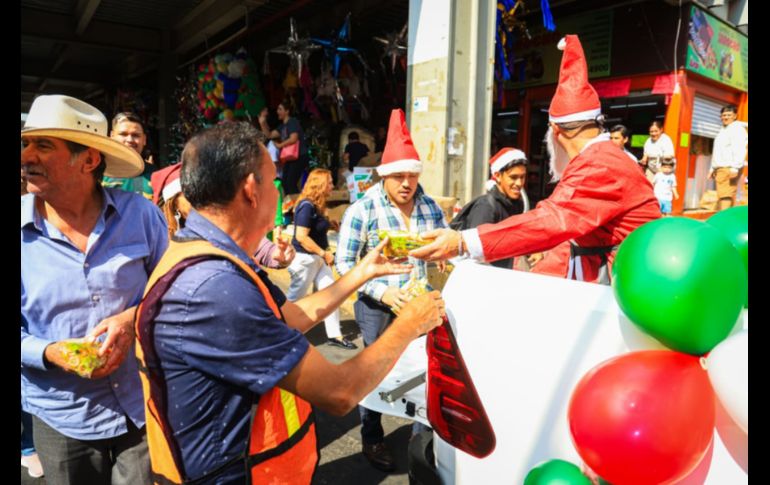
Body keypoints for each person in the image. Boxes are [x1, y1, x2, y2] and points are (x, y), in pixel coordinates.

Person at [134, 121, 445, 484]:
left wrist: (362, 273)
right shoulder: (216, 288)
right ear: (251, 190)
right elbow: (340, 392)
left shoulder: (208, 256)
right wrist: (410, 323)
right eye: (275, 182)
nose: (281, 195)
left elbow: (288, 316)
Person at [410, 35, 660, 284]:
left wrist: (463, 242)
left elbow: (553, 221)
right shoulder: (607, 157)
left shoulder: (598, 164)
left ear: (555, 131)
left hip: (624, 285)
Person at [21, 94, 168, 484]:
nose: (26, 156)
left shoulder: (141, 216)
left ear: (88, 160)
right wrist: (50, 352)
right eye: (26, 144)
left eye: (44, 145)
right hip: (61, 416)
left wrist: (130, 317)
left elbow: (175, 290)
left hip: (139, 404)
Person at [336, 108, 448, 472]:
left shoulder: (431, 208)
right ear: (384, 177)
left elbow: (443, 255)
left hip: (422, 304)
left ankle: (422, 440)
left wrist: (443, 268)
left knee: (427, 370)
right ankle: (372, 436)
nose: (406, 184)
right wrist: (384, 292)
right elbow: (344, 265)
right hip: (379, 307)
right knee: (375, 371)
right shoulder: (362, 210)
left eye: (412, 176)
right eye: (398, 176)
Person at [151, 161, 294, 269]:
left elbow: (260, 247)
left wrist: (279, 256)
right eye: (190, 193)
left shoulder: (223, 221)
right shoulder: (159, 233)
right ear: (174, 203)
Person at [286, 168, 356, 350]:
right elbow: (301, 236)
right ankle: (281, 336)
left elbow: (314, 229)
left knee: (330, 296)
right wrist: (323, 253)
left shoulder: (316, 206)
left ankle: (335, 335)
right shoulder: (306, 206)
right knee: (294, 300)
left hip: (318, 259)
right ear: (320, 184)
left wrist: (329, 225)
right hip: (306, 260)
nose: (333, 185)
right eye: (330, 182)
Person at [450, 148, 540, 270]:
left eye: (522, 177)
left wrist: (534, 249)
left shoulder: (516, 204)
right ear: (497, 176)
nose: (519, 183)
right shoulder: (486, 207)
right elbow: (475, 253)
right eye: (513, 177)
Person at [102, 112, 156, 199]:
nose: (130, 140)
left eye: (136, 135)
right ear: (112, 136)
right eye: (123, 134)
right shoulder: (98, 172)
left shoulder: (156, 176)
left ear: (144, 140)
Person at [709, 104, 748, 210]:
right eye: (723, 115)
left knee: (725, 195)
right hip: (722, 168)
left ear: (735, 116)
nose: (725, 117)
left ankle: (723, 222)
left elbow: (740, 149)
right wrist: (712, 168)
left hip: (728, 167)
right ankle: (725, 220)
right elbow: (718, 151)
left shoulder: (737, 129)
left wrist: (735, 167)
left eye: (728, 115)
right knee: (724, 195)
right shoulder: (724, 130)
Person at [272, 99, 308, 195]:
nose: (277, 112)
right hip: (291, 158)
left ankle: (297, 206)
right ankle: (291, 206)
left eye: (280, 109)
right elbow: (270, 135)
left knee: (290, 183)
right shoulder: (282, 126)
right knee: (285, 183)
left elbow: (294, 138)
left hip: (299, 156)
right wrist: (262, 122)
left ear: (287, 111)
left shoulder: (292, 122)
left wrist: (280, 145)